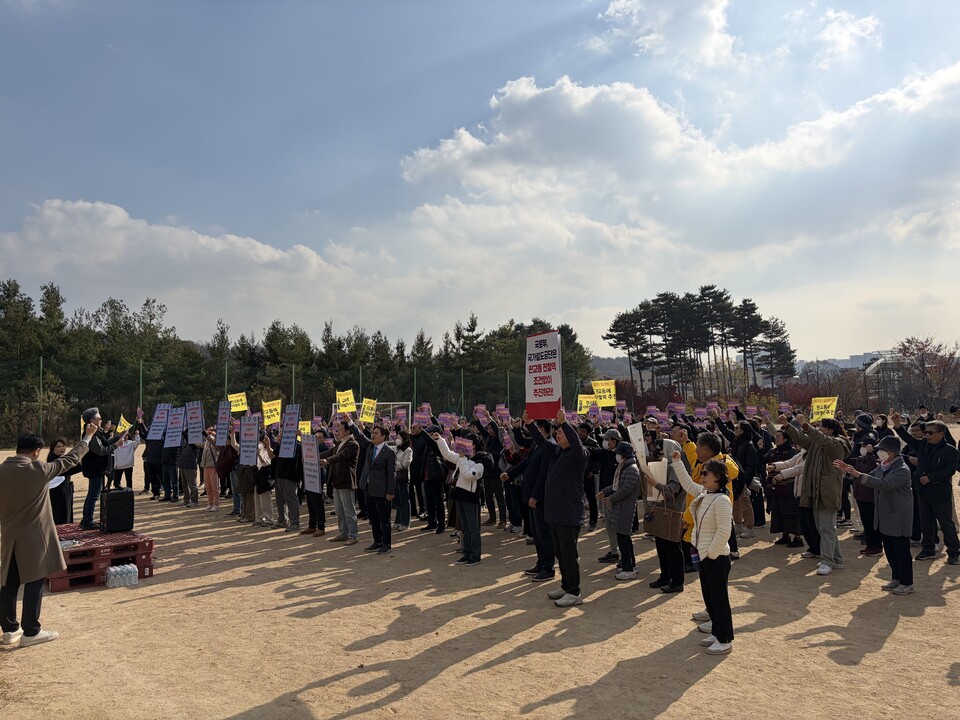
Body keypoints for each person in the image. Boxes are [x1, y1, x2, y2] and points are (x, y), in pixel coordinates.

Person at [1, 423, 96, 648]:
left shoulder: (2, 471)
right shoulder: (39, 469)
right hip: (34, 536)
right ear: (36, 452)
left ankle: (9, 629)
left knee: (9, 583)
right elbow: (70, 460)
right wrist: (87, 437)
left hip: (9, 535)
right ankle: (31, 631)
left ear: (17, 449)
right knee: (35, 581)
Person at [834, 435, 915, 594]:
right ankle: (896, 578)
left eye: (882, 450)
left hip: (898, 515)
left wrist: (857, 474)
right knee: (890, 549)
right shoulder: (884, 466)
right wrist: (849, 471)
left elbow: (884, 484)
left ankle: (907, 582)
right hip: (885, 514)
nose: (879, 452)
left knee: (901, 550)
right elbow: (869, 476)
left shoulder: (901, 469)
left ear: (891, 452)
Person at [672, 450, 734, 655]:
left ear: (718, 477)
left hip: (716, 557)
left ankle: (725, 640)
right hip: (705, 555)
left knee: (719, 599)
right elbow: (688, 484)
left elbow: (724, 531)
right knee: (710, 598)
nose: (702, 476)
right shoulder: (705, 494)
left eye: (706, 473)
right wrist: (677, 462)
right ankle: (717, 633)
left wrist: (710, 553)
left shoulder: (722, 500)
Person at [527, 409, 588, 609]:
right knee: (560, 553)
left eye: (560, 433)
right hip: (555, 512)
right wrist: (530, 425)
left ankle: (574, 592)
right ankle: (565, 585)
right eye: (557, 432)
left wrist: (564, 423)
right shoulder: (557, 452)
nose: (557, 435)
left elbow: (576, 443)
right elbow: (542, 442)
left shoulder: (579, 454)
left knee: (569, 554)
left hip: (569, 513)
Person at [782, 415, 851, 576]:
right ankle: (836, 559)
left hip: (827, 492)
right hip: (815, 491)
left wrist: (805, 425)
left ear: (831, 430)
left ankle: (827, 561)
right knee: (824, 528)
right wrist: (787, 426)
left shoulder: (838, 444)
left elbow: (823, 440)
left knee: (827, 528)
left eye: (822, 427)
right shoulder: (817, 442)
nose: (819, 429)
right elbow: (802, 439)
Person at [893, 416, 960, 565]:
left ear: (941, 433)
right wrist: (897, 425)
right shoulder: (922, 445)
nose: (927, 435)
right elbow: (907, 438)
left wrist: (931, 477)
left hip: (940, 492)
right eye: (926, 432)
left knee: (945, 523)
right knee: (926, 522)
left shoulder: (951, 451)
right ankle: (928, 549)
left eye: (930, 432)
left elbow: (950, 470)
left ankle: (954, 552)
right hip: (923, 490)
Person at [432, 430, 485, 565]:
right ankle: (466, 553)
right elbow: (448, 454)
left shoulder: (479, 463)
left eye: (467, 443)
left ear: (473, 445)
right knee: (464, 528)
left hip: (471, 498)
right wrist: (440, 440)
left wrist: (461, 459)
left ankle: (475, 555)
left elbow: (468, 476)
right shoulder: (463, 458)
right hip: (459, 496)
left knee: (473, 528)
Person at [349, 418, 397, 554]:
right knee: (373, 518)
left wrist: (390, 492)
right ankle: (377, 541)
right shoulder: (370, 447)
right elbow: (359, 435)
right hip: (369, 488)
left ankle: (386, 544)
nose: (373, 435)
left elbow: (392, 474)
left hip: (382, 491)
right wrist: (350, 422)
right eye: (373, 433)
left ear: (384, 436)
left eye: (376, 433)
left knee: (384, 519)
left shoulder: (389, 452)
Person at [598, 442, 641, 581]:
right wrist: (605, 491)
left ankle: (628, 569)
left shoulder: (631, 469)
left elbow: (625, 489)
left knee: (623, 538)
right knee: (624, 537)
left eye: (618, 453)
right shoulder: (623, 467)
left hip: (625, 507)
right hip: (621, 506)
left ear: (624, 455)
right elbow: (616, 486)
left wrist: (611, 498)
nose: (616, 456)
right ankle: (630, 564)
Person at [78, 407, 124, 529]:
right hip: (94, 468)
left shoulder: (95, 431)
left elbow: (105, 443)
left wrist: (117, 437)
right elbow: (101, 450)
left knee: (93, 494)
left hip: (97, 467)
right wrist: (116, 445)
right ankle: (87, 521)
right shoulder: (91, 434)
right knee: (93, 495)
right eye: (99, 418)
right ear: (91, 420)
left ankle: (86, 519)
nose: (101, 420)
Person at [318, 419, 360, 545]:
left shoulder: (353, 444)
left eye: (340, 429)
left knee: (349, 510)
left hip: (346, 481)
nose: (337, 432)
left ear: (348, 431)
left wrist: (327, 461)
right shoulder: (339, 443)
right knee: (339, 510)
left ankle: (353, 535)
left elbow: (341, 456)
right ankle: (343, 533)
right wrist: (315, 455)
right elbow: (330, 452)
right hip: (336, 481)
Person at [763, 429, 802, 547]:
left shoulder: (792, 451)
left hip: (788, 486)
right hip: (776, 486)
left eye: (779, 436)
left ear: (785, 439)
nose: (776, 438)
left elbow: (792, 466)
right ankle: (785, 535)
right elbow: (762, 460)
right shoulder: (773, 451)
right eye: (775, 436)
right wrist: (760, 448)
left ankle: (797, 538)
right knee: (778, 512)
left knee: (791, 513)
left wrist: (781, 474)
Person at [45, 437, 83, 525]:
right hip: (59, 492)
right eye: (58, 447)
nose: (62, 448)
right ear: (53, 449)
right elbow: (70, 470)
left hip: (65, 489)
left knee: (66, 514)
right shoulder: (54, 461)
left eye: (63, 446)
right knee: (61, 515)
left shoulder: (63, 458)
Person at [392, 431, 413, 532]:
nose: (397, 439)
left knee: (404, 500)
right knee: (398, 501)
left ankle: (406, 523)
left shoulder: (408, 450)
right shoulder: (397, 449)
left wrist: (395, 464)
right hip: (396, 477)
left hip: (404, 478)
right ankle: (398, 521)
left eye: (399, 438)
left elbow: (405, 464)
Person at [200, 427, 220, 511]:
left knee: (214, 487)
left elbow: (214, 443)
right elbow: (198, 444)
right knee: (208, 487)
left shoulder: (215, 440)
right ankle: (210, 503)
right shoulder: (206, 442)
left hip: (213, 466)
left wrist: (208, 435)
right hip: (205, 466)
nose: (209, 431)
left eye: (211, 430)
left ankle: (216, 504)